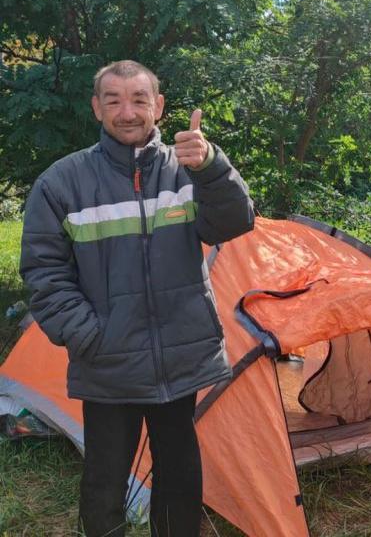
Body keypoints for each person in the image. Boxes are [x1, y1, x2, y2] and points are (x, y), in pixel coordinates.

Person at [19, 60, 255, 536]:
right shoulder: (62, 183)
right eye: (114, 100)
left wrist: (213, 168)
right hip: (107, 362)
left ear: (159, 106)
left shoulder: (189, 170)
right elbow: (44, 273)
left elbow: (234, 223)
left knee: (180, 479)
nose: (127, 112)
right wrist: (91, 336)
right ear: (96, 108)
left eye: (139, 99)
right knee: (104, 484)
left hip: (180, 357)